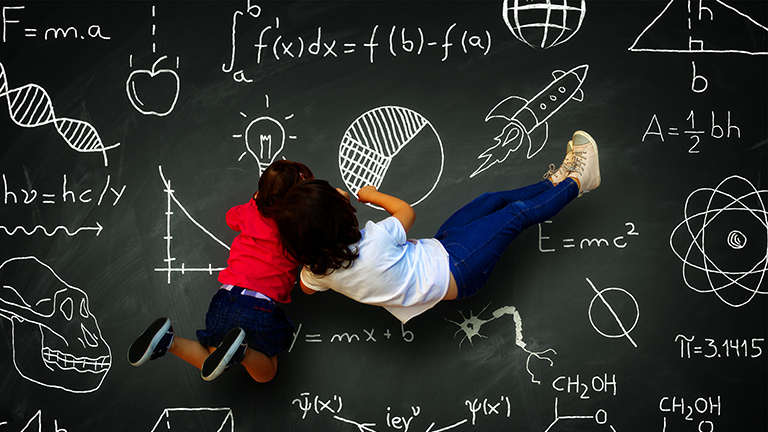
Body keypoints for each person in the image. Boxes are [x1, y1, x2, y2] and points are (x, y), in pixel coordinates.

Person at [274, 130, 600, 323]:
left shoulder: (318, 270)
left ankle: (555, 183)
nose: (342, 192)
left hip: (441, 252)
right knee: (514, 214)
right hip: (458, 267)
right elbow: (405, 211)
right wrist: (373, 194)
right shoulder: (375, 241)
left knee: (492, 201)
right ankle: (578, 181)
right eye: (337, 195)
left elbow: (305, 287)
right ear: (341, 215)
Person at [127, 160, 313, 382]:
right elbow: (306, 257)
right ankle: (242, 352)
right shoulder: (298, 229)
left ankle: (169, 341)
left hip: (224, 299)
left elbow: (230, 218)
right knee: (267, 373)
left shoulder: (250, 210)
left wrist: (255, 202)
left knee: (214, 360)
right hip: (259, 306)